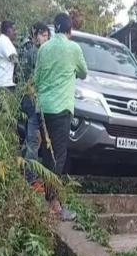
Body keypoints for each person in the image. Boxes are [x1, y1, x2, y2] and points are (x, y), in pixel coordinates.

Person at [34, 13, 87, 219]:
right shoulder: (73, 48)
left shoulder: (44, 48)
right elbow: (83, 72)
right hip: (62, 109)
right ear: (70, 30)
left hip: (43, 109)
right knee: (60, 156)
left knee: (47, 155)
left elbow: (36, 79)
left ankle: (49, 202)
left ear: (55, 29)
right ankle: (54, 204)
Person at [19, 22, 50, 191]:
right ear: (36, 34)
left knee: (30, 139)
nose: (45, 39)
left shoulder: (24, 48)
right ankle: (30, 179)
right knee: (34, 139)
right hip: (31, 98)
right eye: (43, 35)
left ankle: (25, 171)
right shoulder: (34, 52)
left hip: (25, 97)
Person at [0, 20, 18, 90]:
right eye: (14, 30)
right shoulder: (4, 41)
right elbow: (14, 59)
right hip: (4, 84)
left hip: (3, 83)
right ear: (9, 30)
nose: (16, 32)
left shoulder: (3, 40)